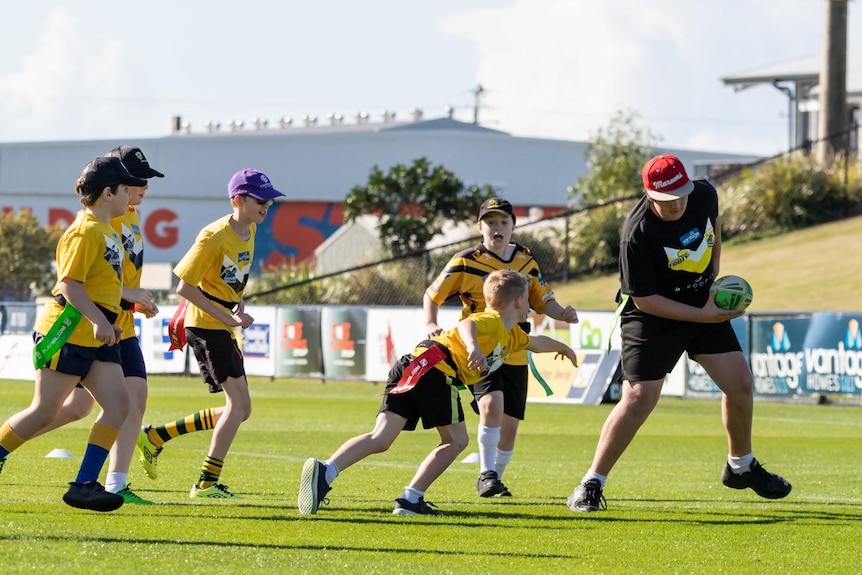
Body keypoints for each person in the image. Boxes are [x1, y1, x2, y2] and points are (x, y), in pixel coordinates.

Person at [565, 154, 792, 513]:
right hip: (652, 315)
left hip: (702, 302)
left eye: (682, 196)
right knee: (640, 397)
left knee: (740, 383)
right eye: (668, 201)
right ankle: (591, 483)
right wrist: (704, 314)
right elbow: (645, 299)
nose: (678, 205)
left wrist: (714, 283)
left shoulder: (704, 194)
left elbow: (714, 230)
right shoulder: (636, 233)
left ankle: (740, 466)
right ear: (650, 194)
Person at [298, 269, 579, 516]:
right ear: (518, 301)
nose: (532, 304)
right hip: (435, 369)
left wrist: (564, 348)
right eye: (528, 298)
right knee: (456, 440)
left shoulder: (512, 334)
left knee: (381, 438)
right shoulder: (491, 320)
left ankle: (326, 471)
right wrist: (472, 347)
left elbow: (537, 342)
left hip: (414, 364)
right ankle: (411, 499)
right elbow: (467, 325)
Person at [20, 146, 165, 505]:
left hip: (101, 332)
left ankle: (86, 484)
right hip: (71, 329)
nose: (136, 190)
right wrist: (102, 319)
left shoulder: (111, 226)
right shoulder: (86, 231)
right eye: (128, 184)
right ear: (109, 192)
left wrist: (121, 311)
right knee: (46, 411)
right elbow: (69, 284)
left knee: (120, 405)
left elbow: (106, 284)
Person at [424, 198, 579, 498]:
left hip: (516, 347)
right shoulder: (464, 260)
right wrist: (430, 323)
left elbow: (542, 298)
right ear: (480, 227)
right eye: (491, 222)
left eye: (503, 222)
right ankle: (487, 473)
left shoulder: (526, 260)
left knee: (509, 425)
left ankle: (495, 482)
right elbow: (432, 295)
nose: (497, 228)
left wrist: (563, 313)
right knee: (491, 404)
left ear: (513, 226)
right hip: (481, 349)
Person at [150, 168, 283, 499]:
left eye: (269, 200)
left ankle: (157, 437)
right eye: (260, 200)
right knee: (238, 405)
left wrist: (238, 307)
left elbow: (236, 278)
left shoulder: (249, 230)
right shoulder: (213, 235)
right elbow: (184, 287)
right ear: (238, 200)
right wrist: (228, 316)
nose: (267, 205)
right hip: (205, 326)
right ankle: (206, 482)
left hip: (222, 324)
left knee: (242, 409)